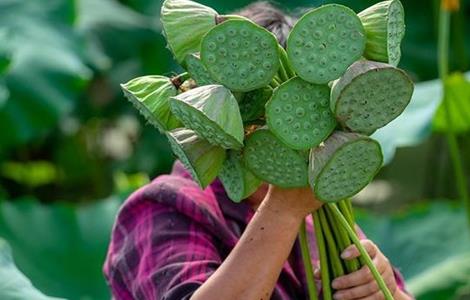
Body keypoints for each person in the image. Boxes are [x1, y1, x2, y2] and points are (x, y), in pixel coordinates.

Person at [104, 2, 414, 299]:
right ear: (227, 117)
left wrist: (387, 290)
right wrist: (283, 210)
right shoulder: (166, 205)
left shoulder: (321, 213)